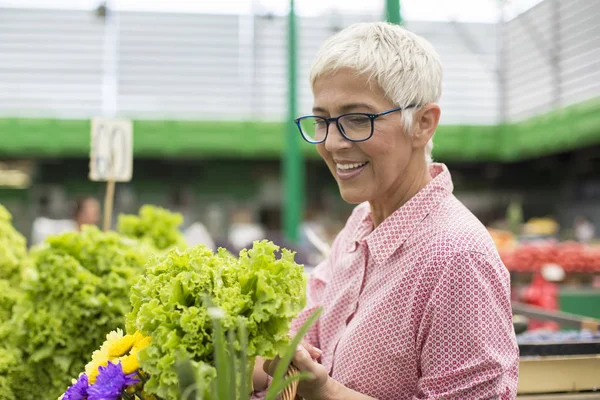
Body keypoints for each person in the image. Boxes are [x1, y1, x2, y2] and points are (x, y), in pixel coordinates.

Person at [253, 22, 519, 399]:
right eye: (322, 120)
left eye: (358, 119)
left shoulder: (457, 259)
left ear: (423, 124)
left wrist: (325, 393)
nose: (331, 142)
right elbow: (301, 342)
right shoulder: (361, 223)